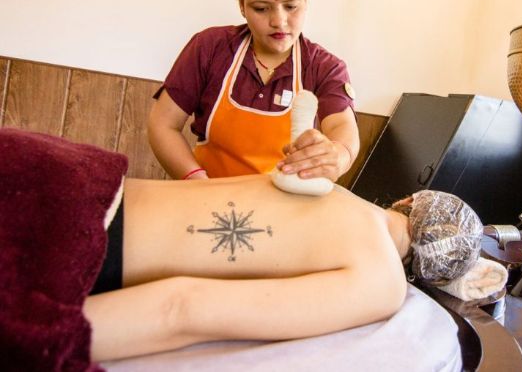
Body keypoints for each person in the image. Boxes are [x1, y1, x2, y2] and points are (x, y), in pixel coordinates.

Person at [0, 128, 482, 366]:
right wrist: (39, 343)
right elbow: (184, 308)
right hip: (59, 241)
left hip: (63, 167)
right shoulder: (382, 283)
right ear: (425, 272)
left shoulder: (333, 188)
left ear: (408, 200)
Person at [148, 0, 359, 182]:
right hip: (206, 193)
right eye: (261, 8)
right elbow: (163, 124)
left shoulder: (324, 67)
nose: (279, 21)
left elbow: (342, 128)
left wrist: (338, 155)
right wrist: (197, 182)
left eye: (291, 6)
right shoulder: (210, 47)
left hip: (285, 201)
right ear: (241, 3)